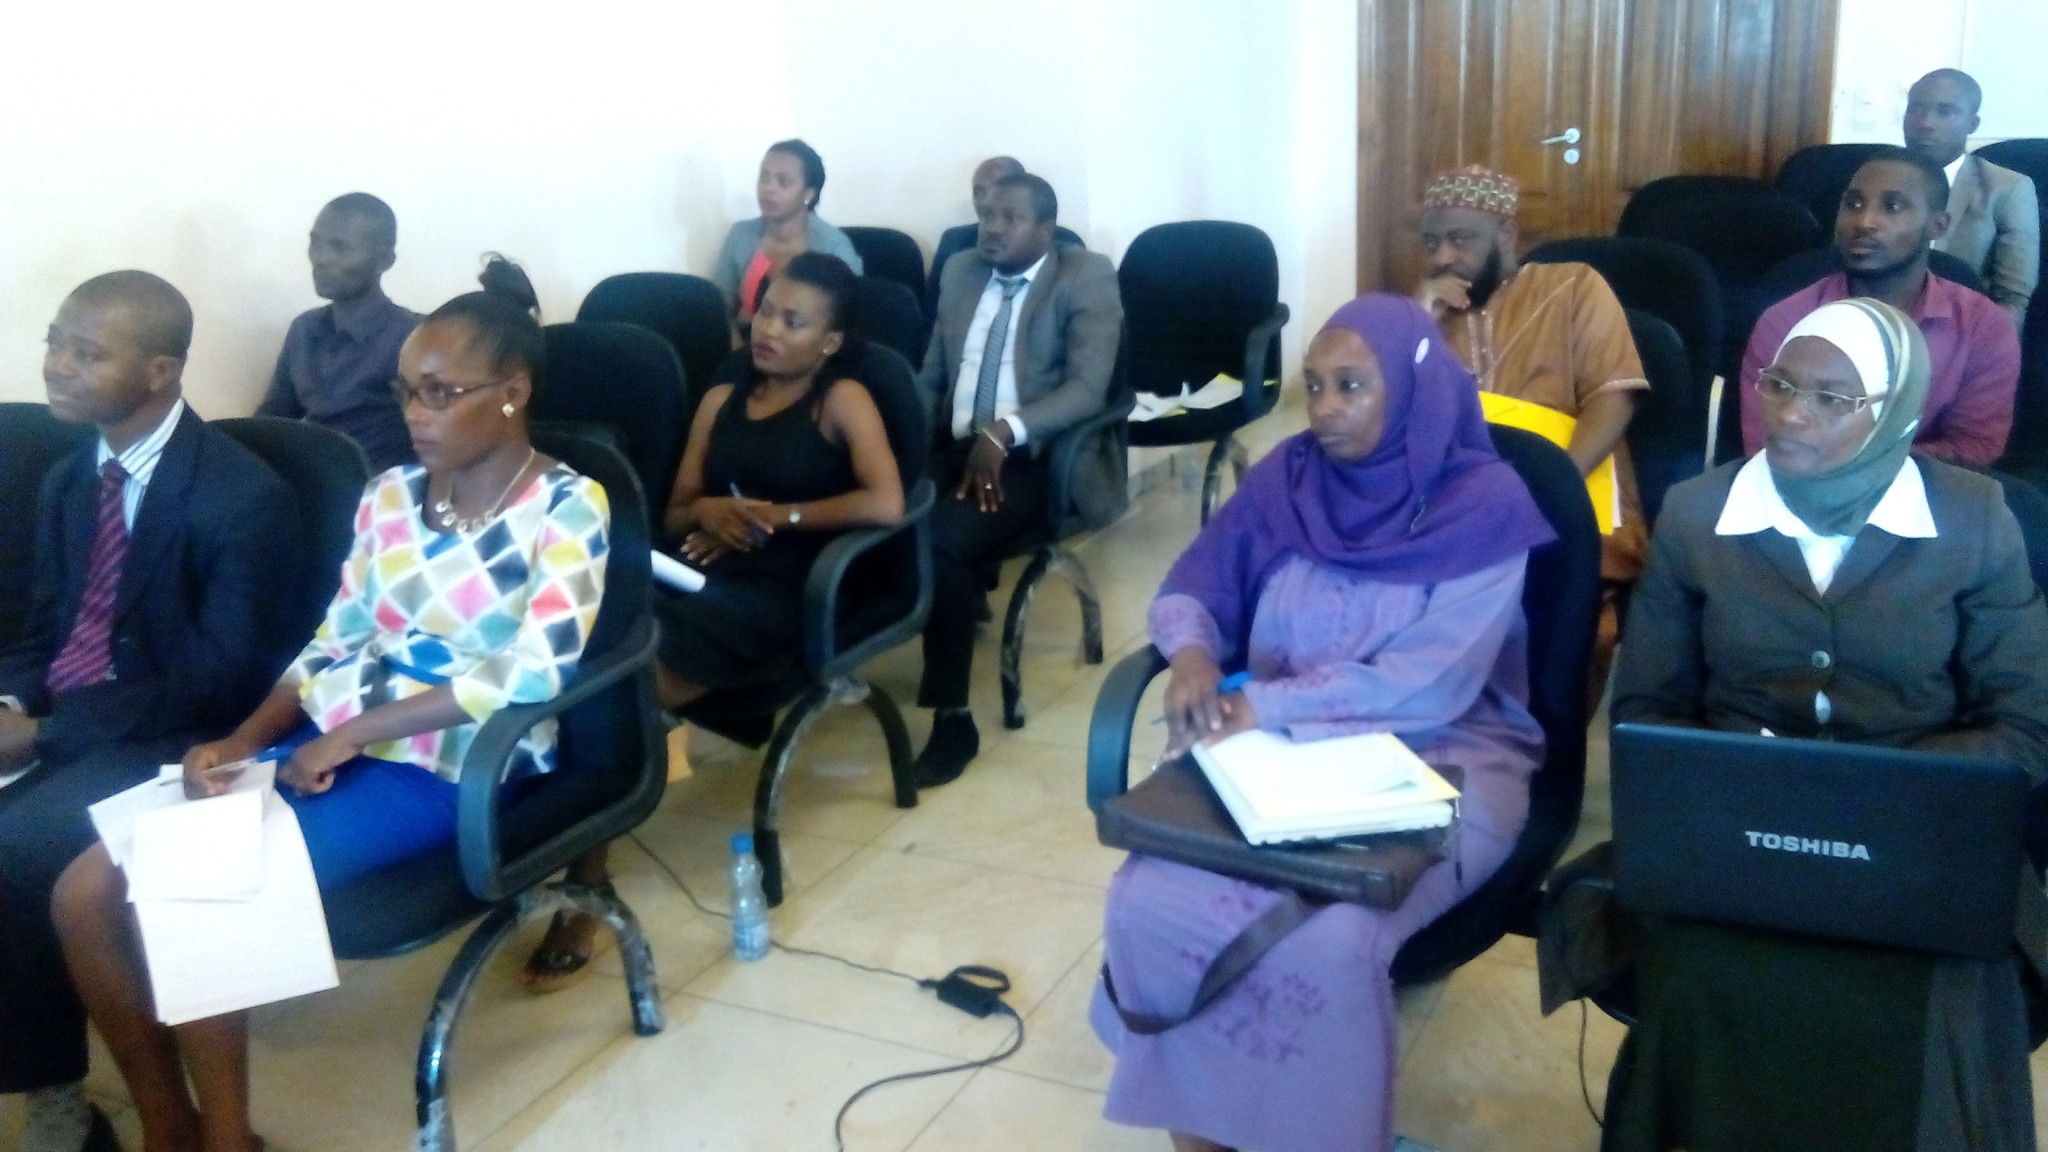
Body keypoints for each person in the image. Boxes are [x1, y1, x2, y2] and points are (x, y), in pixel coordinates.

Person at [48, 258, 611, 1152]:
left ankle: (227, 1141)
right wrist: (244, 740)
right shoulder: (390, 495)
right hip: (331, 741)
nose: (416, 414)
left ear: (512, 391)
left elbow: (531, 675)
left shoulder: (568, 506)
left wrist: (353, 733)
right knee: (83, 893)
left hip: (458, 760)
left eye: (441, 393)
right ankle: (169, 1126)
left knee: (195, 888)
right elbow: (332, 639)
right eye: (406, 392)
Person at [1091, 295, 1555, 1152]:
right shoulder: (1290, 477)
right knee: (1147, 900)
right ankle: (1204, 1138)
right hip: (1274, 754)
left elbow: (1432, 683)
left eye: (1352, 385)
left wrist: (1262, 705)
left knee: (1331, 943)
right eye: (1313, 385)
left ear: (1410, 391)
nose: (1326, 408)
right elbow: (1199, 577)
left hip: (1441, 758)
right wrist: (1192, 654)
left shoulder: (1483, 504)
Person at [1595, 298, 2048, 1150]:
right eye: (1781, 385)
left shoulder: (1974, 519)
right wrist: (1748, 785)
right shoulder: (1698, 514)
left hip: (1926, 834)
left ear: (1896, 413)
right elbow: (1648, 710)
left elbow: (2026, 721)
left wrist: (1878, 793)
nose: (1792, 415)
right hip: (1738, 820)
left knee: (1944, 993)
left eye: (1832, 398)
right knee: (1700, 968)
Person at [519, 252, 903, 991]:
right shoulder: (722, 395)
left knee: (619, 691)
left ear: (829, 341)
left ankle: (587, 883)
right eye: (766, 311)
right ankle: (543, 836)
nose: (769, 329)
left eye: (794, 321)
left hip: (783, 588)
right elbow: (673, 510)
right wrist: (710, 510)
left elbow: (885, 502)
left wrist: (779, 517)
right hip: (694, 568)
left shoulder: (842, 399)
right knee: (585, 646)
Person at [0, 272, 296, 1152]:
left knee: (15, 850)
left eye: (87, 353)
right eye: (56, 342)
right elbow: (45, 630)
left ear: (161, 370)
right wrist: (11, 701)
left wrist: (46, 733)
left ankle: (63, 1101)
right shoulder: (69, 477)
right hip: (77, 712)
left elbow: (219, 680)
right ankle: (49, 1073)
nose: (58, 365)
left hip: (180, 737)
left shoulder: (239, 496)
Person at [911, 172, 1123, 787]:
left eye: (1011, 218)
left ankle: (953, 719)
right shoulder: (960, 272)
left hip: (1035, 457)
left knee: (939, 543)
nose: (993, 229)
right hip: (955, 446)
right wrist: (891, 445)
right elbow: (931, 377)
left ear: (1046, 230)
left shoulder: (1084, 276)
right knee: (877, 516)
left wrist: (1005, 432)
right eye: (988, 216)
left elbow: (1087, 389)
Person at [1412, 164, 1647, 679]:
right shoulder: (1425, 316)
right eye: (1431, 242)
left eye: (1460, 239)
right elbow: (1390, 423)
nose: (1443, 257)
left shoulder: (1574, 287)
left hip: (1572, 494)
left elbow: (1615, 398)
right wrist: (1415, 326)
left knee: (1562, 630)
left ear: (1507, 234)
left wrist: (1548, 490)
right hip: (1459, 510)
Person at [1741, 147, 2021, 467]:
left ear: (1938, 226)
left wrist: (1856, 465)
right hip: (1799, 490)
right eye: (1853, 204)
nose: (1864, 222)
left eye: (1893, 206)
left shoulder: (1983, 325)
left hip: (1929, 491)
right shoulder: (1786, 321)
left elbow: (1976, 448)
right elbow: (1766, 448)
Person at [257, 193, 420, 471]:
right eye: (315, 243)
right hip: (308, 479)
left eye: (340, 248)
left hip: (379, 486)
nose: (320, 259)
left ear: (384, 260)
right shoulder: (304, 329)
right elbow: (272, 420)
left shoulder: (412, 338)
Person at [1904, 68, 2039, 333]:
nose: (1925, 123)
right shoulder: (1878, 177)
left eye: (1945, 112)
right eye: (1916, 109)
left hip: (1963, 331)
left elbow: (2012, 299)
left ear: (1972, 124)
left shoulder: (2007, 189)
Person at [710, 139, 863, 328]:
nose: (769, 188)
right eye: (764, 178)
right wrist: (734, 338)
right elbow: (718, 305)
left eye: (783, 181)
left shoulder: (833, 246)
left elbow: (846, 319)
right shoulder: (741, 235)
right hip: (746, 338)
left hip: (806, 344)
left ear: (809, 193)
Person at [929, 157, 1084, 316]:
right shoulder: (955, 242)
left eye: (999, 190)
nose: (986, 201)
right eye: (979, 192)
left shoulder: (1065, 242)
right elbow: (934, 314)